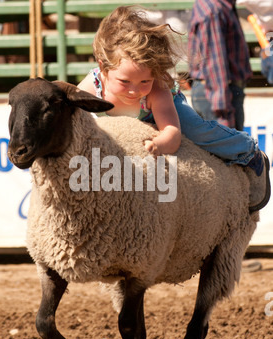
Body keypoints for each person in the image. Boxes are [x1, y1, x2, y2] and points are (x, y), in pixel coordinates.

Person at [77, 5, 270, 211]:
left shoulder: (157, 89)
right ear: (103, 67)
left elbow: (173, 133)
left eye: (144, 80)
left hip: (158, 108)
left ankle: (248, 150)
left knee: (196, 130)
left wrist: (160, 144)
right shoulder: (91, 88)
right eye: (124, 81)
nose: (134, 90)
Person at [188, 0, 252, 131]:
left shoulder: (217, 6)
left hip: (216, 91)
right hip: (218, 94)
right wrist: (222, 111)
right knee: (228, 147)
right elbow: (214, 62)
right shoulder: (214, 10)